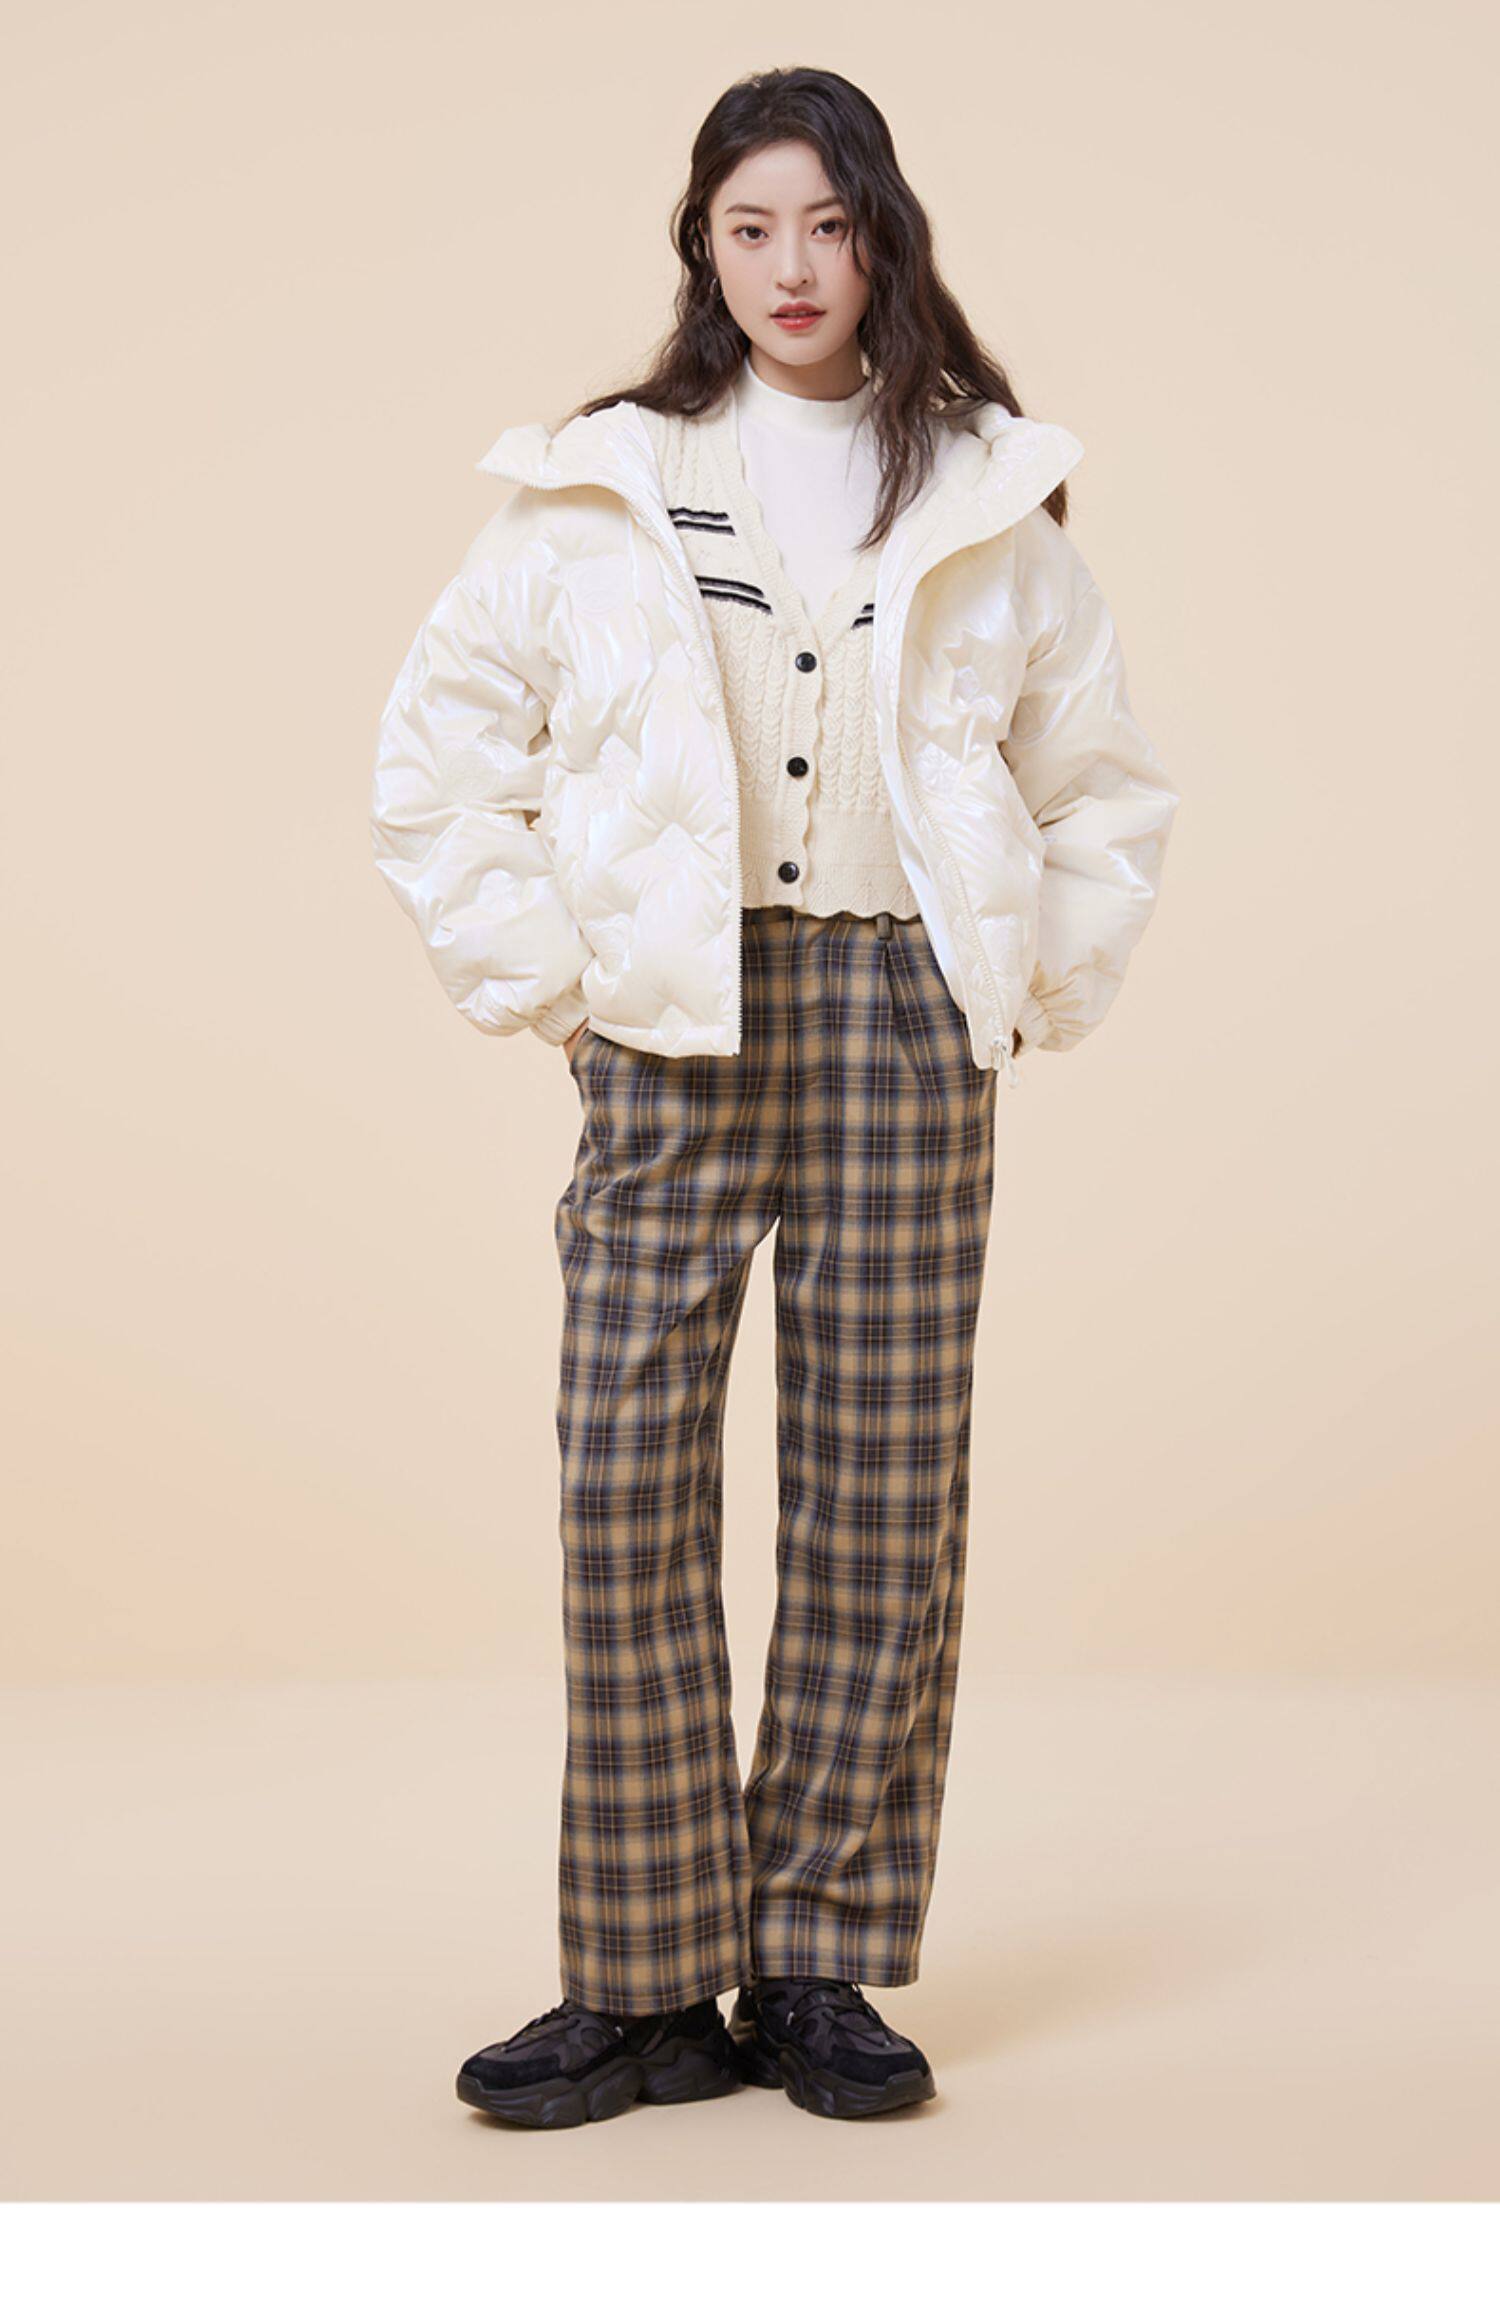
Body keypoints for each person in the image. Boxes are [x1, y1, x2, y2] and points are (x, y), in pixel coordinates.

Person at [370, 65, 1179, 2130]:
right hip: (672, 1013)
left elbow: (1097, 780)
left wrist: (1023, 985)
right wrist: (560, 994)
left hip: (903, 1008)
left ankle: (814, 1958)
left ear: (880, 238)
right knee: (623, 1477)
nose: (792, 266)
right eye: (752, 227)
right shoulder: (605, 485)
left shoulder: (985, 492)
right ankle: (643, 1984)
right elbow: (442, 754)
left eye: (828, 224)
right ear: (703, 248)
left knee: (884, 1486)